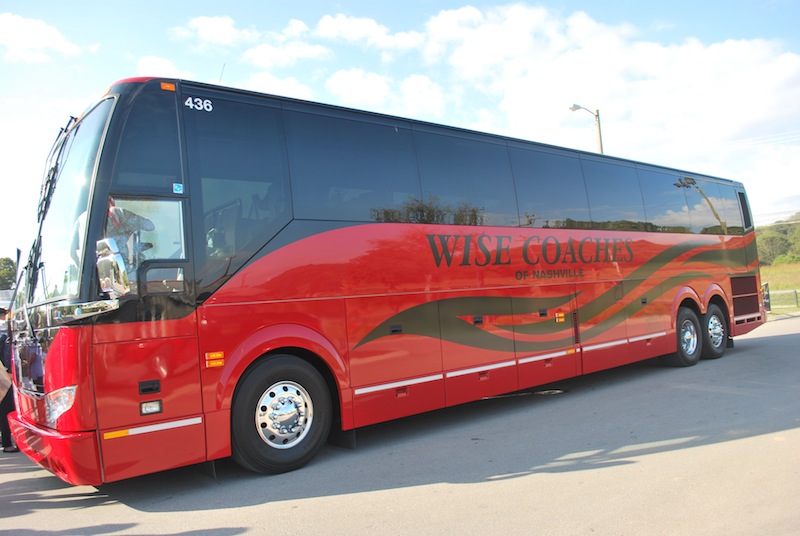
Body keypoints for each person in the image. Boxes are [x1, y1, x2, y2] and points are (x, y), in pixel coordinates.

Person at [0, 309, 19, 453]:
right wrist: (11, 373)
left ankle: (6, 440)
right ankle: (7, 442)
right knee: (8, 409)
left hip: (5, 376)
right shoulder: (5, 336)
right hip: (5, 378)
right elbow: (7, 357)